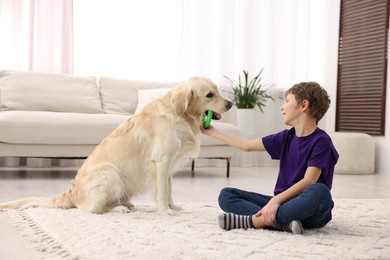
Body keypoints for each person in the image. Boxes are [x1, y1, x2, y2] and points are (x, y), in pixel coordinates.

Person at [200, 81, 339, 234]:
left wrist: (275, 201)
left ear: (303, 105)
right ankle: (282, 223)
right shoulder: (286, 137)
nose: (282, 107)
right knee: (226, 195)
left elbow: (309, 181)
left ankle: (254, 221)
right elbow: (248, 145)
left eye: (287, 101)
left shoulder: (321, 141)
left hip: (309, 210)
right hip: (283, 204)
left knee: (321, 192)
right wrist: (212, 133)